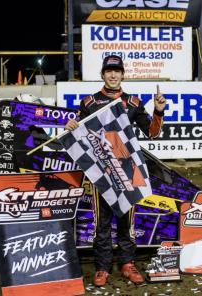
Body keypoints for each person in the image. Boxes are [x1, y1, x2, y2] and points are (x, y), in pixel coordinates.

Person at [65, 55, 166, 286]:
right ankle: (102, 267)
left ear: (123, 74)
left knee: (126, 220)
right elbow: (78, 132)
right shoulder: (89, 102)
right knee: (101, 222)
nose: (113, 75)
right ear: (102, 74)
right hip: (101, 167)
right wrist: (71, 125)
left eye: (117, 71)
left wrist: (158, 111)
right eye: (109, 71)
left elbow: (152, 133)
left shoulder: (133, 103)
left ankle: (127, 263)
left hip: (127, 167)